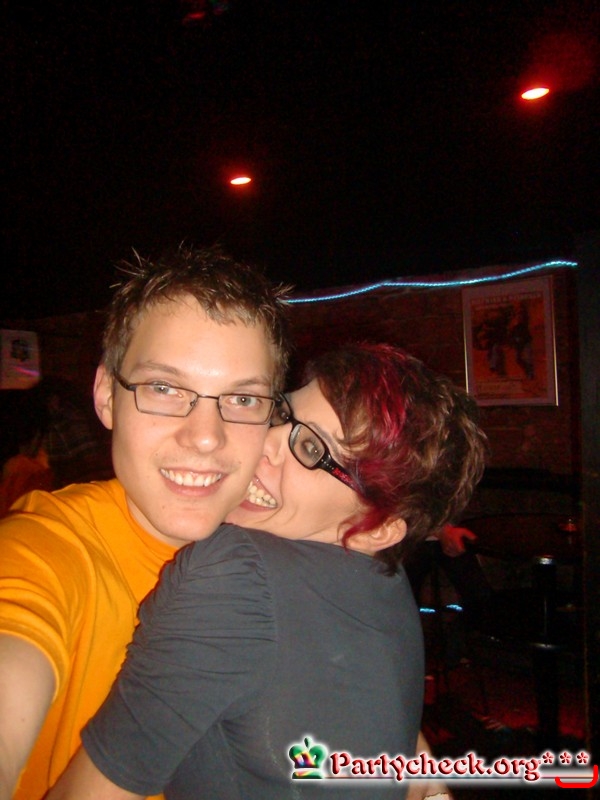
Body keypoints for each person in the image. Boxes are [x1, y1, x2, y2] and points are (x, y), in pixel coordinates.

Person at [47, 343, 487, 799]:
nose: (262, 446)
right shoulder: (386, 578)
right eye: (281, 414)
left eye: (312, 448)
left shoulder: (236, 574)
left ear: (379, 529)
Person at [0, 244, 291, 800]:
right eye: (164, 389)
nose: (205, 436)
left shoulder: (281, 547)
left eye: (242, 398)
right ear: (107, 397)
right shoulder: (44, 549)